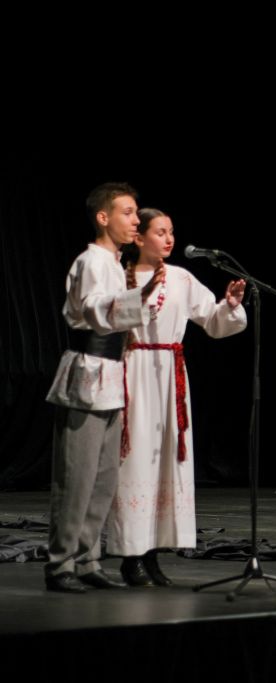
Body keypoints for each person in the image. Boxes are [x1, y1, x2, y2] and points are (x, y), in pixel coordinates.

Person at [106, 208, 247, 586]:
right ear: (139, 238)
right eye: (160, 232)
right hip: (135, 370)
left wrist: (230, 305)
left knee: (166, 459)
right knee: (136, 460)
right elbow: (106, 320)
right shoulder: (120, 276)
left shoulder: (181, 278)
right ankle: (132, 555)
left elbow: (213, 321)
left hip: (170, 373)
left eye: (171, 232)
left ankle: (154, 552)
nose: (169, 239)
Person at [44, 182, 164, 592]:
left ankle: (87, 558)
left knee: (103, 478)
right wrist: (139, 297)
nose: (135, 221)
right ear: (103, 217)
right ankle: (61, 563)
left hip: (112, 374)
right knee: (76, 477)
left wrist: (140, 300)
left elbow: (119, 314)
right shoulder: (91, 261)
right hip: (87, 373)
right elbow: (95, 310)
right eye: (127, 213)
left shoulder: (114, 262)